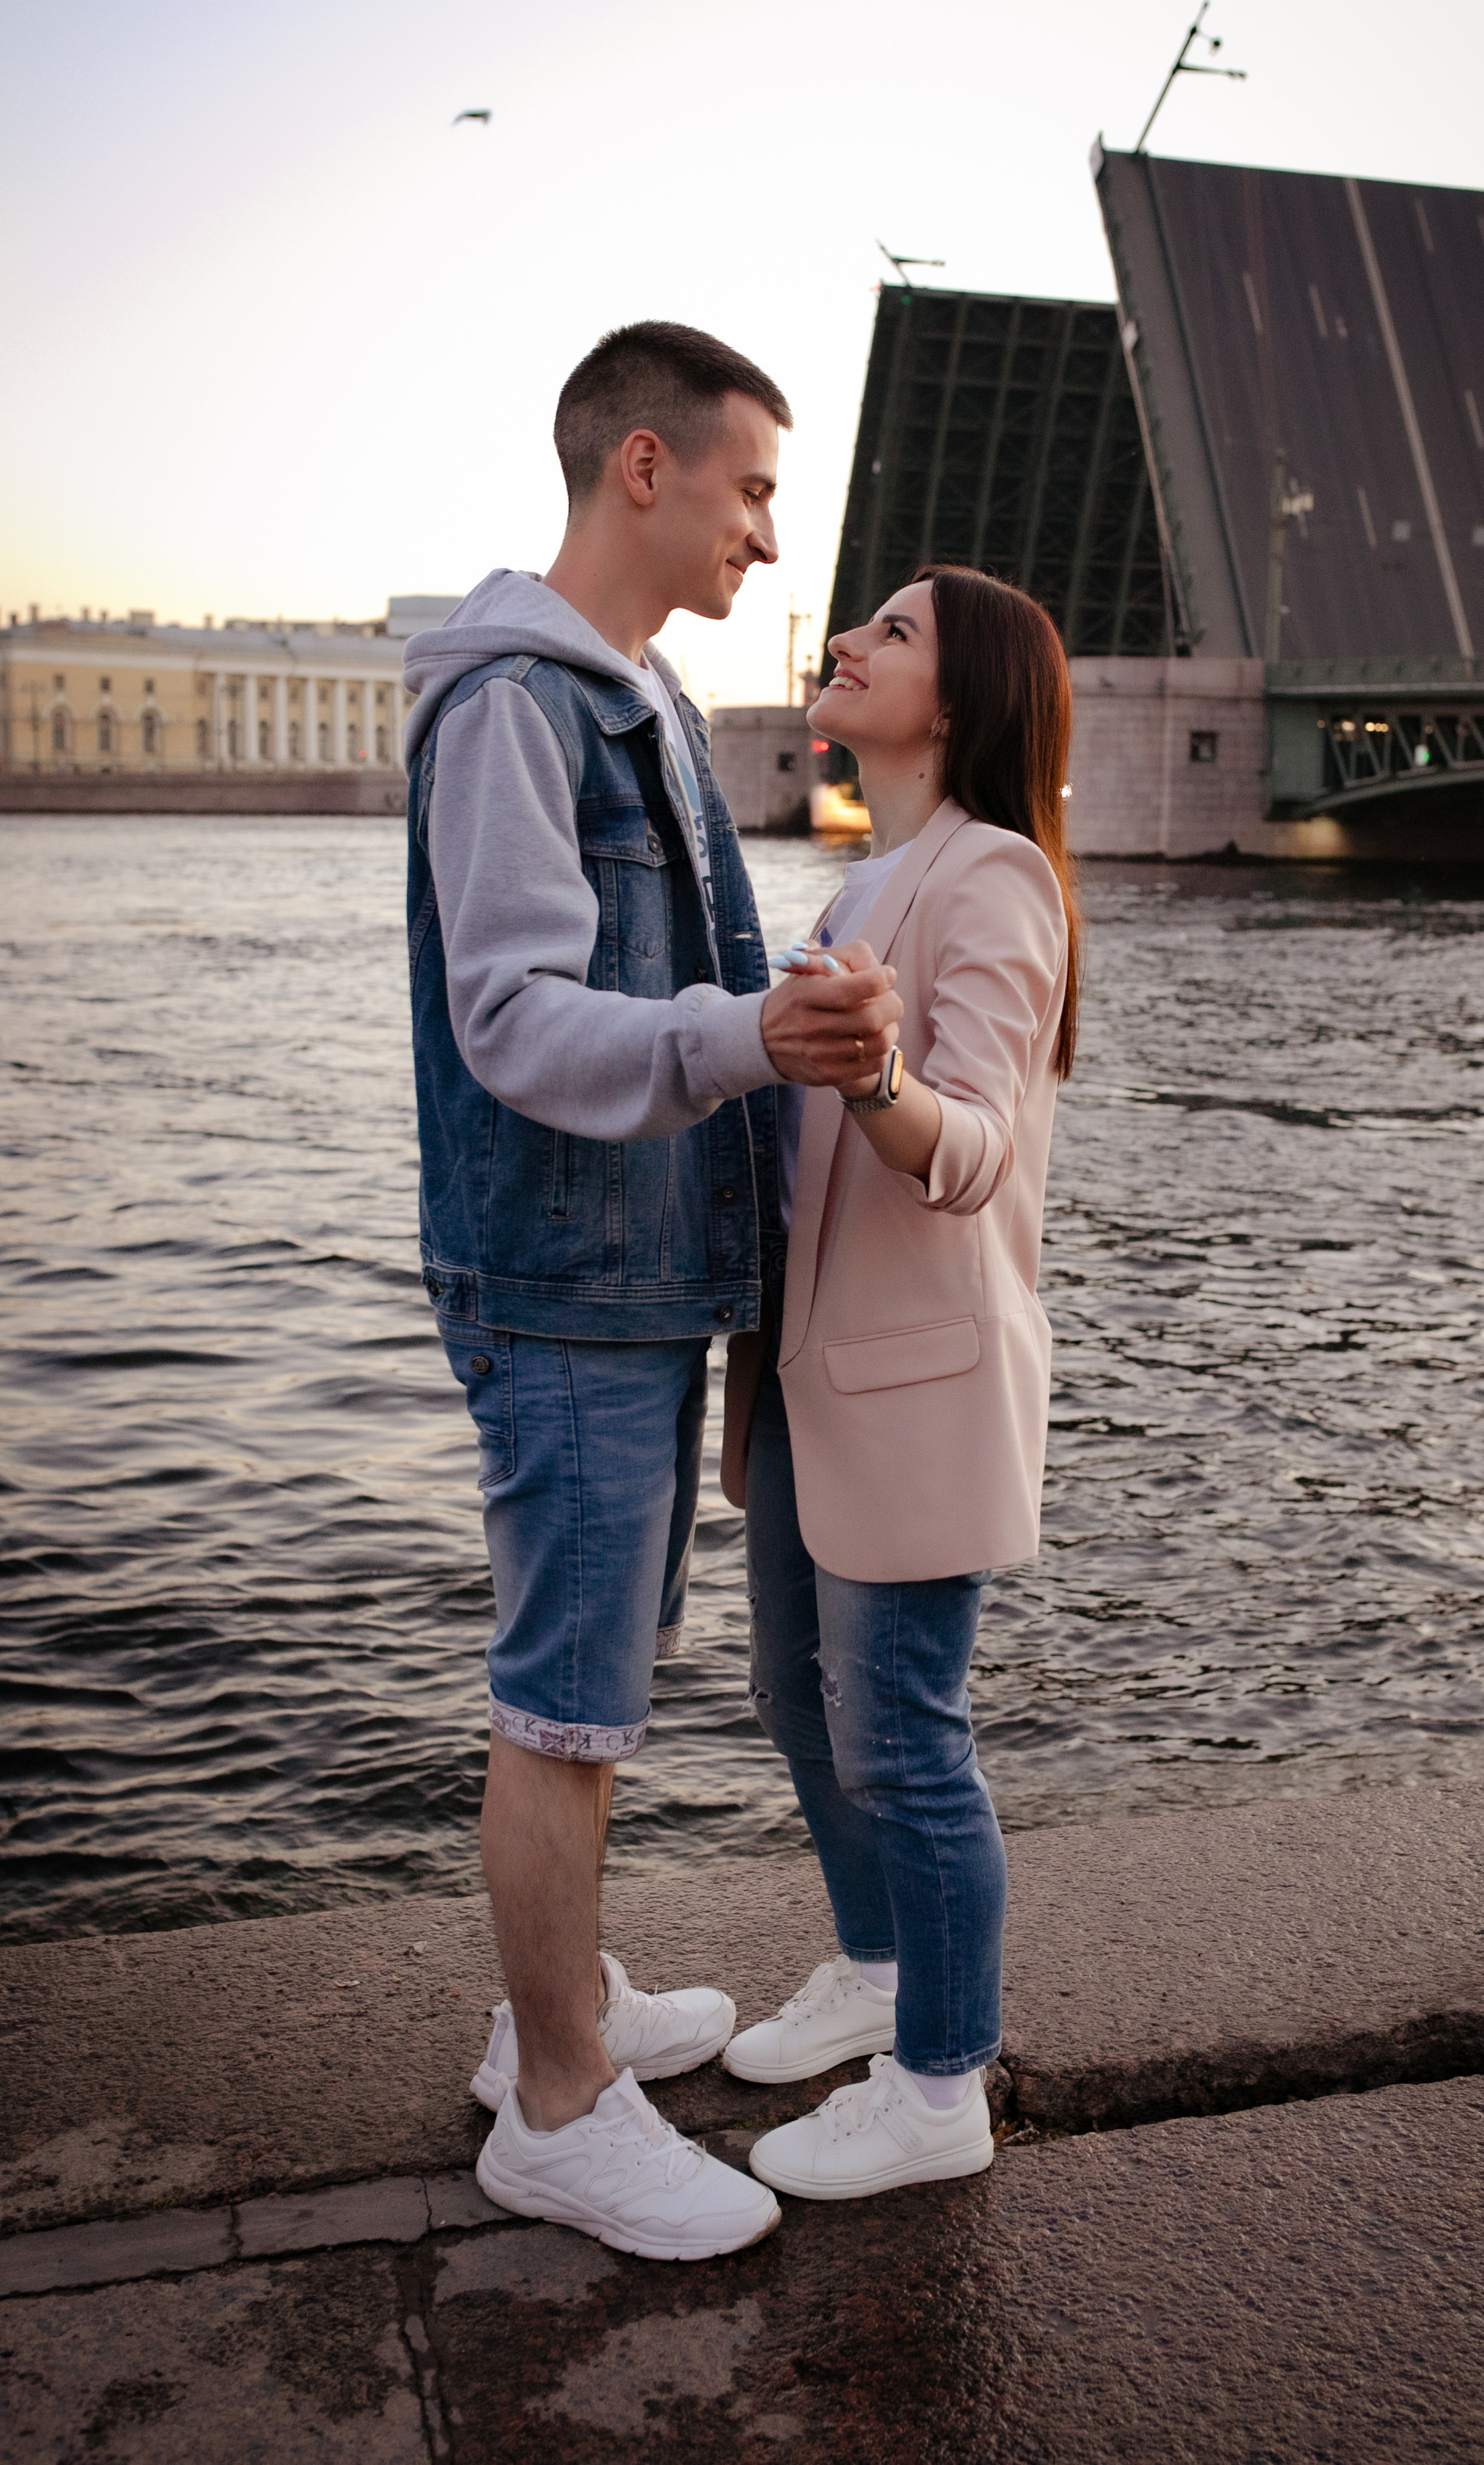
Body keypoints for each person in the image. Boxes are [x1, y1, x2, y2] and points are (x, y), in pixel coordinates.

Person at [403, 321, 903, 2262]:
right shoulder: (520, 709)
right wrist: (749, 1039)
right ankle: (553, 2110)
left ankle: (563, 2009)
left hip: (633, 1274)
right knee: (565, 1712)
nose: (772, 537)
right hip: (562, 1277)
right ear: (642, 466)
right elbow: (515, 1018)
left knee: (598, 1694)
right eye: (754, 487)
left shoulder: (642, 705)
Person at [718, 563, 1080, 2199]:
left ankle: (940, 2089)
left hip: (920, 1378)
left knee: (905, 1744)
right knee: (798, 1704)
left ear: (959, 699)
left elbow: (981, 1146)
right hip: (812, 1372)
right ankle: (873, 1979)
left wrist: (876, 1076)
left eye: (894, 631)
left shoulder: (994, 876)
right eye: (857, 620)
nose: (848, 643)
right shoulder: (863, 884)